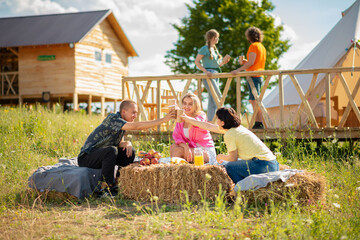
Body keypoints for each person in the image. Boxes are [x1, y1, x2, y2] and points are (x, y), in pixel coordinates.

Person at [78, 99, 176, 196]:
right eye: (133, 112)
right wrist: (163, 120)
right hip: (87, 157)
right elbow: (136, 126)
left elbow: (119, 143)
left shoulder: (122, 124)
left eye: (136, 113)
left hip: (102, 156)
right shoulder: (113, 118)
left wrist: (127, 143)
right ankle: (104, 189)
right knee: (111, 150)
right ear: (124, 111)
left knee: (130, 151)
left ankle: (118, 183)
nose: (135, 116)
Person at [180, 107, 279, 184]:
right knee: (235, 165)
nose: (216, 121)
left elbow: (233, 158)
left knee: (230, 166)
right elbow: (208, 126)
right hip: (273, 164)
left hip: (263, 165)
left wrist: (220, 156)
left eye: (218, 119)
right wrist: (187, 119)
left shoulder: (230, 134)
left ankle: (242, 191)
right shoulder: (237, 128)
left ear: (222, 123)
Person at [231, 27, 266, 129]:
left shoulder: (253, 46)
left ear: (249, 36)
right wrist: (245, 62)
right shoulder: (261, 47)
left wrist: (238, 70)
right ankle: (259, 122)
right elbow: (254, 62)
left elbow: (251, 62)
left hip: (253, 76)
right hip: (259, 75)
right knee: (255, 100)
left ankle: (259, 122)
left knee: (254, 101)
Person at [170, 92, 217, 164]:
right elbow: (177, 137)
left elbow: (196, 123)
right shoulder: (181, 119)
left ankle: (175, 171)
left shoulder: (201, 115)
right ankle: (179, 168)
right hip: (193, 149)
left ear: (195, 105)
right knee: (173, 147)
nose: (186, 106)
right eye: (185, 103)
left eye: (190, 104)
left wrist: (185, 117)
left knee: (178, 151)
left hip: (205, 150)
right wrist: (186, 147)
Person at [195, 29, 231, 121]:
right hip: (208, 75)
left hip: (216, 75)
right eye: (217, 37)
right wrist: (205, 71)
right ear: (212, 38)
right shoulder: (204, 48)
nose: (218, 39)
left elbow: (216, 65)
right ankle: (224, 119)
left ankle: (210, 122)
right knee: (218, 96)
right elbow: (197, 62)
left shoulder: (214, 49)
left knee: (212, 100)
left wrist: (223, 62)